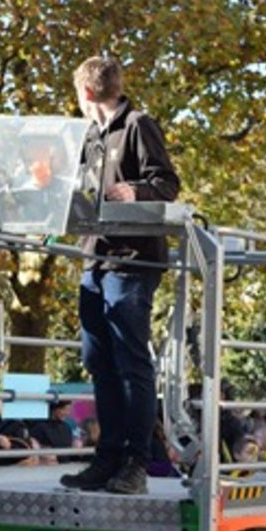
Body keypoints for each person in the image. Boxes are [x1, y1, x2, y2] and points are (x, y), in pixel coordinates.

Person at [60, 56, 180, 496]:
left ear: (87, 93)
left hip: (133, 259)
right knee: (97, 360)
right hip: (95, 256)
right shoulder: (90, 135)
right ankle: (106, 456)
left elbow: (167, 182)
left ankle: (136, 461)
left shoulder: (138, 124)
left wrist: (137, 190)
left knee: (131, 362)